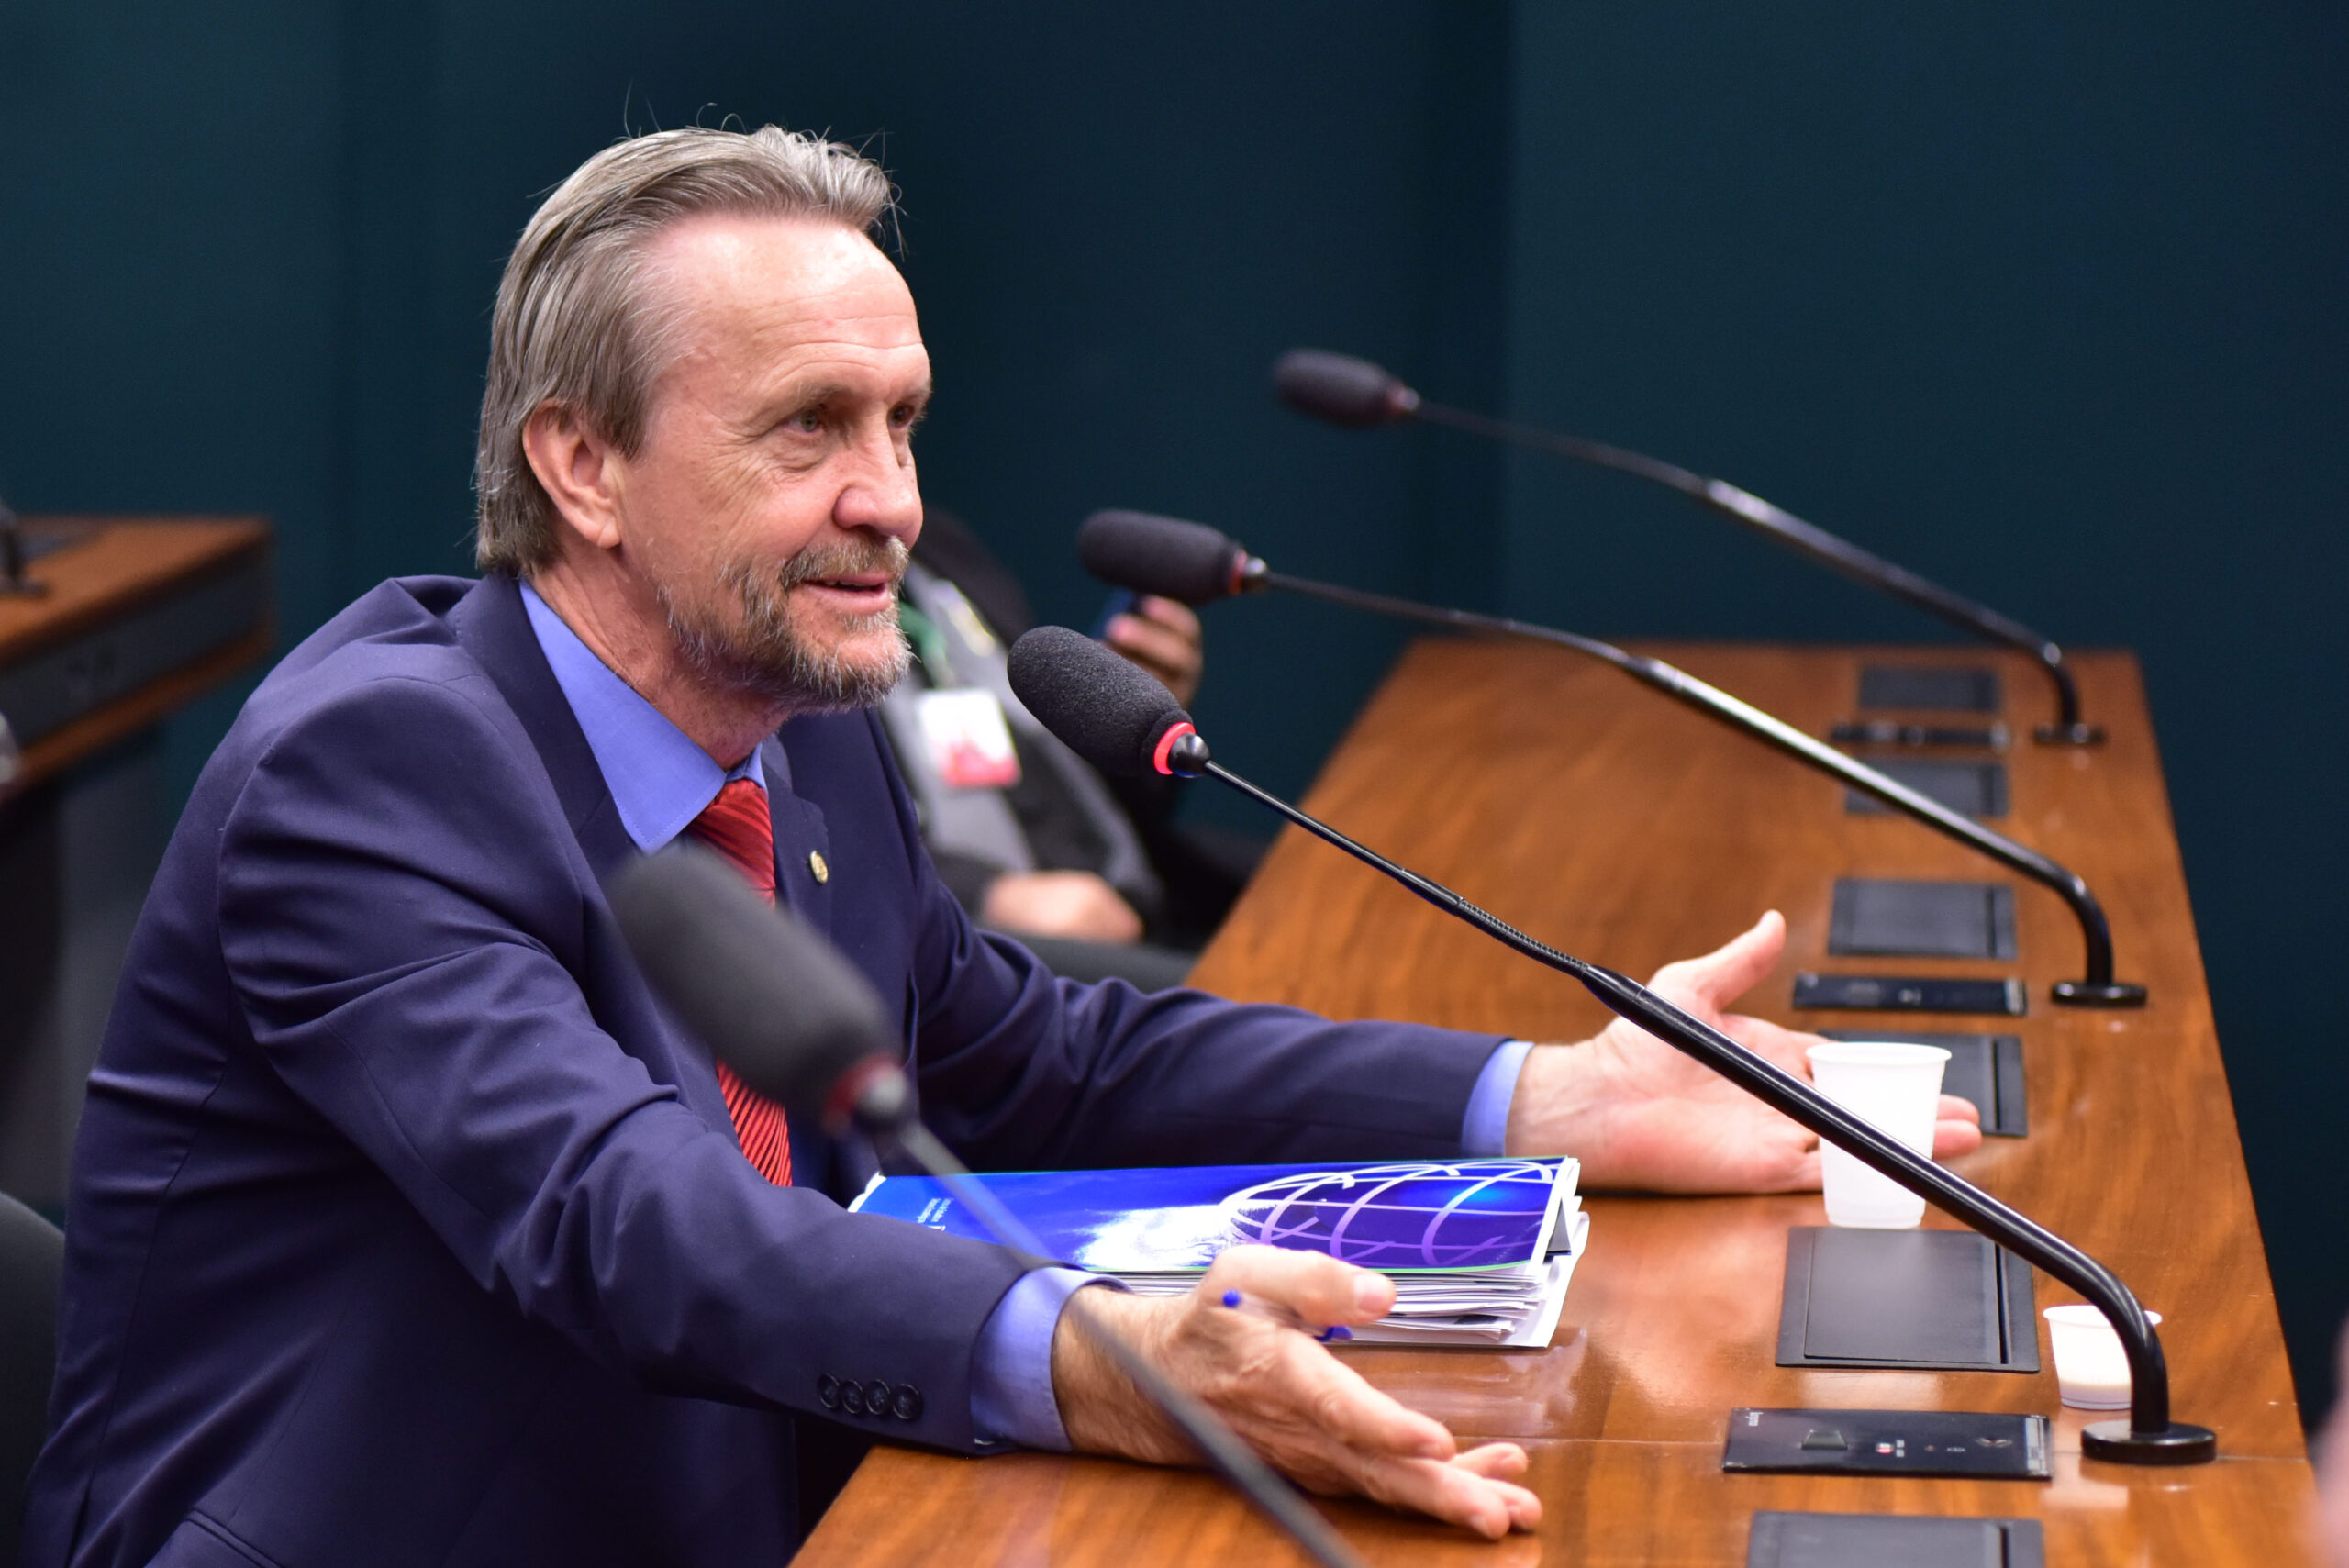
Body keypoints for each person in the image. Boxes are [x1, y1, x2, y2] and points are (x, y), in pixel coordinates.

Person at [21, 127, 1979, 1567]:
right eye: (809, 429)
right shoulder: (371, 770)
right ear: (583, 463)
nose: (891, 500)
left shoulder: (806, 733)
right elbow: (617, 1213)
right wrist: (1103, 1357)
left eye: (904, 421)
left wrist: (1542, 1096)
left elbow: (1045, 1059)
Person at [885, 507, 1247, 989]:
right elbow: (815, 855)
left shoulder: (937, 544)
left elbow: (1062, 788)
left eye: (902, 463)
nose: (894, 497)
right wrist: (987, 895)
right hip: (1009, 967)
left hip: (1152, 896)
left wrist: (1129, 731)